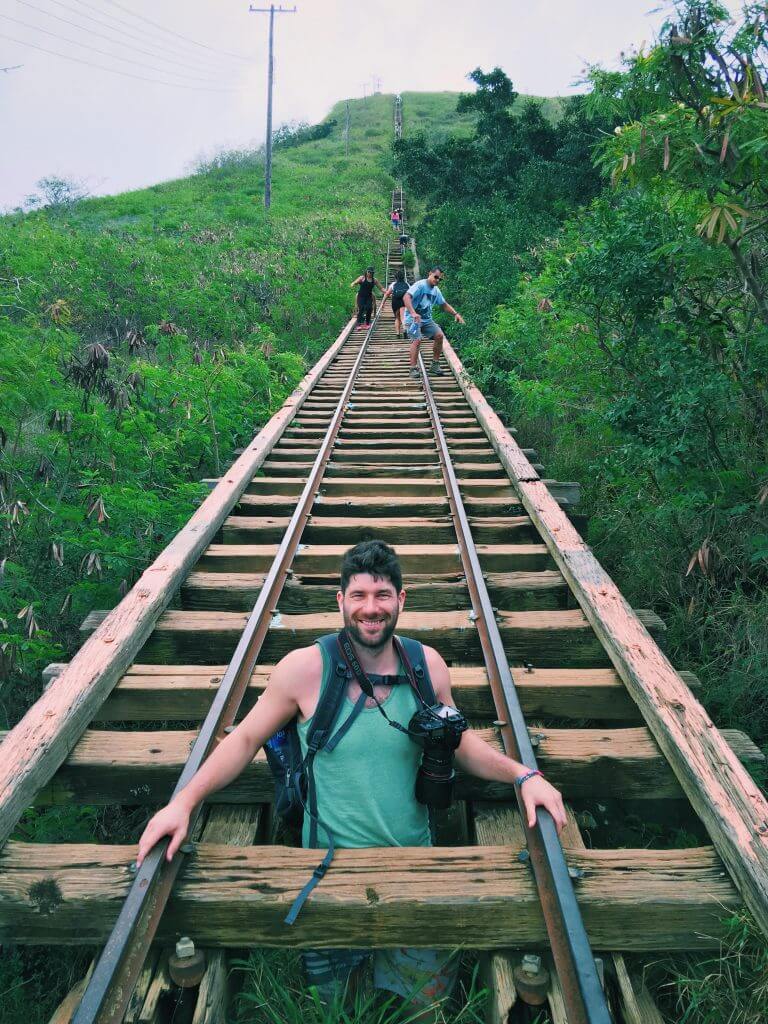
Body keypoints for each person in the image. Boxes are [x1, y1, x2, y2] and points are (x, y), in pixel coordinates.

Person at [136, 540, 566, 1019]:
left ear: (402, 600)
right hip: (327, 873)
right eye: (358, 595)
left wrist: (523, 774)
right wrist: (184, 802)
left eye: (382, 595)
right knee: (336, 1008)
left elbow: (459, 742)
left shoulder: (427, 666)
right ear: (340, 601)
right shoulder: (303, 670)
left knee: (421, 1007)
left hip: (413, 867)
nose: (371, 608)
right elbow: (243, 740)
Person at [403, 267, 464, 379]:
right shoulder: (420, 285)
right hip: (412, 319)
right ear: (430, 274)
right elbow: (406, 296)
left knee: (439, 335)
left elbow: (444, 304)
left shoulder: (436, 291)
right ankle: (413, 368)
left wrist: (456, 314)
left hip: (426, 320)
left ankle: (435, 365)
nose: (437, 280)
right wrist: (412, 313)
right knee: (417, 340)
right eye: (436, 277)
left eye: (440, 279)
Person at [381, 269, 409, 338]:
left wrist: (382, 303)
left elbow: (387, 294)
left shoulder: (393, 284)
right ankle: (405, 330)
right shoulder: (407, 284)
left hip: (395, 302)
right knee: (403, 317)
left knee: (397, 318)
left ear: (396, 277)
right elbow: (411, 294)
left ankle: (398, 334)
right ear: (403, 277)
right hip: (403, 301)